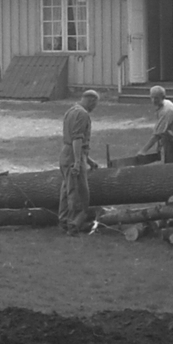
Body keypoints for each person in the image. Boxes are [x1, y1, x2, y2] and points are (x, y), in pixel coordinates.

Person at [59, 89, 99, 235]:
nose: (94, 107)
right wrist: (77, 162)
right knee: (79, 192)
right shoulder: (82, 114)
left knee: (66, 190)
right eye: (95, 104)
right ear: (91, 100)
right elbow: (77, 139)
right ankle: (74, 224)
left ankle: (63, 221)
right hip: (72, 155)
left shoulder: (71, 111)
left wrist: (88, 160)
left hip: (65, 153)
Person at [139, 85, 173, 163]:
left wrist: (143, 151)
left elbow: (157, 135)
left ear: (163, 97)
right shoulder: (163, 105)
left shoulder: (167, 111)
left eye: (156, 98)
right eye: (152, 97)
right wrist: (159, 145)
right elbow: (162, 130)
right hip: (169, 140)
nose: (154, 100)